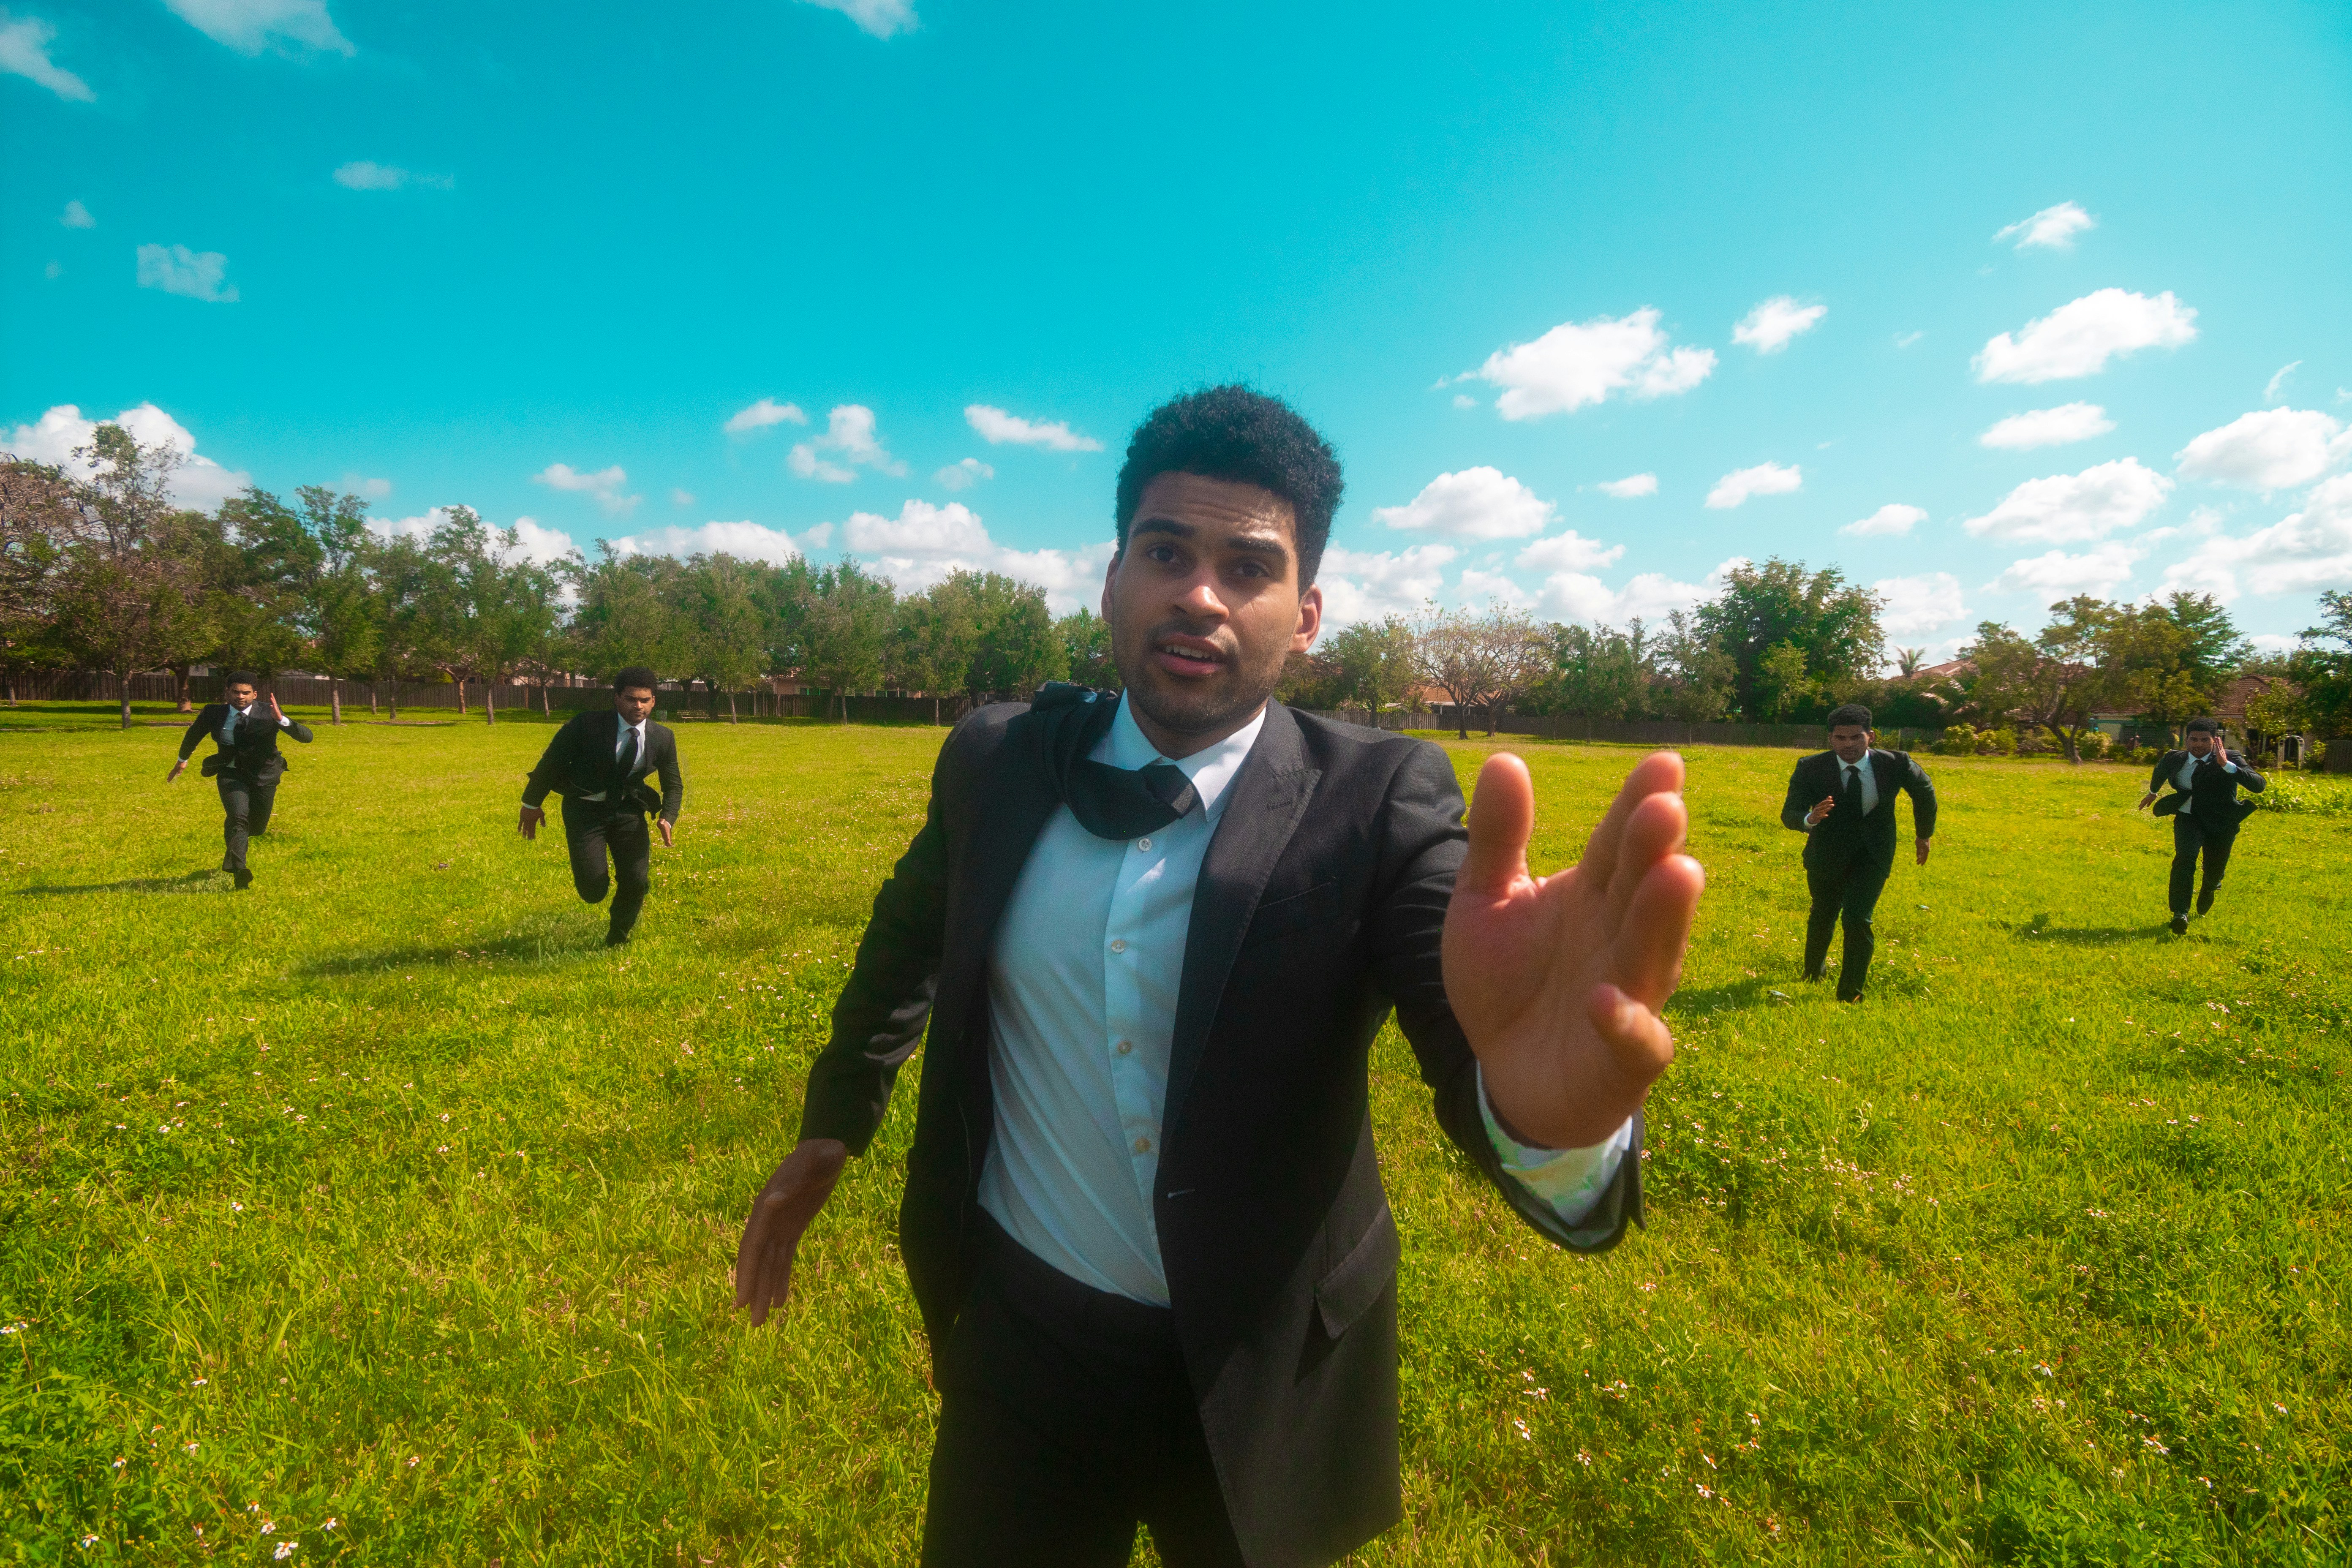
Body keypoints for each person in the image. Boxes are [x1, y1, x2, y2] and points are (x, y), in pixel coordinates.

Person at [730, 387, 1705, 1568]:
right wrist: (836, 1121)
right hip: (1021, 1344)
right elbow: (905, 942)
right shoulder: (995, 761)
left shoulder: (1378, 804)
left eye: (1249, 566)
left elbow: (1470, 1022)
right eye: (1166, 552)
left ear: (1305, 616)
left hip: (1263, 1365)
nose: (1199, 592)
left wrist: (1545, 1126)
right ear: (1112, 580)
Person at [1778, 703, 1936, 1002]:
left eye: (1856, 738)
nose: (1848, 745)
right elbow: (1790, 812)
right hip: (1826, 852)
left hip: (1873, 853)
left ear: (1871, 737)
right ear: (1830, 739)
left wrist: (1923, 835)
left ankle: (1850, 994)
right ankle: (1813, 972)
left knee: (1858, 918)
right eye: (1840, 738)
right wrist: (1809, 820)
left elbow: (1925, 792)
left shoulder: (1896, 763)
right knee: (1824, 912)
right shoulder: (1810, 767)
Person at [518, 668, 683, 947]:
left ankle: (618, 937)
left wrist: (668, 817)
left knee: (636, 880)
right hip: (585, 812)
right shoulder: (586, 725)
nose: (638, 706)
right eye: (631, 699)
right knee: (593, 890)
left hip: (629, 813)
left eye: (645, 700)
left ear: (654, 701)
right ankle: (596, 884)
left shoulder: (662, 738)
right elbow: (550, 765)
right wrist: (531, 804)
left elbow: (674, 784)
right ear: (617, 698)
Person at [166, 672, 314, 890]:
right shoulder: (214, 713)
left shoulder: (268, 712)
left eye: (246, 693)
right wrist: (182, 760)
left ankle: (238, 851)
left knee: (256, 827)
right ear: (227, 693)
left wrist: (281, 720)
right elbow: (194, 734)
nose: (240, 697)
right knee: (237, 818)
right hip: (230, 773)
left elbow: (307, 737)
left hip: (264, 775)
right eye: (235, 692)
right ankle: (239, 871)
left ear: (255, 694)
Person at [2137, 716, 2263, 934]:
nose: (2198, 745)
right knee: (2184, 860)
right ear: (2186, 740)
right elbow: (2160, 771)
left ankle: (2211, 886)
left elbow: (2258, 785)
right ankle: (2180, 913)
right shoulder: (2175, 758)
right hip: (2188, 818)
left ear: (2215, 740)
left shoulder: (2230, 757)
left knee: (2213, 871)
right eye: (2193, 740)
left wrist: (2228, 767)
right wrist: (2153, 791)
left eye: (2204, 740)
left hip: (2221, 821)